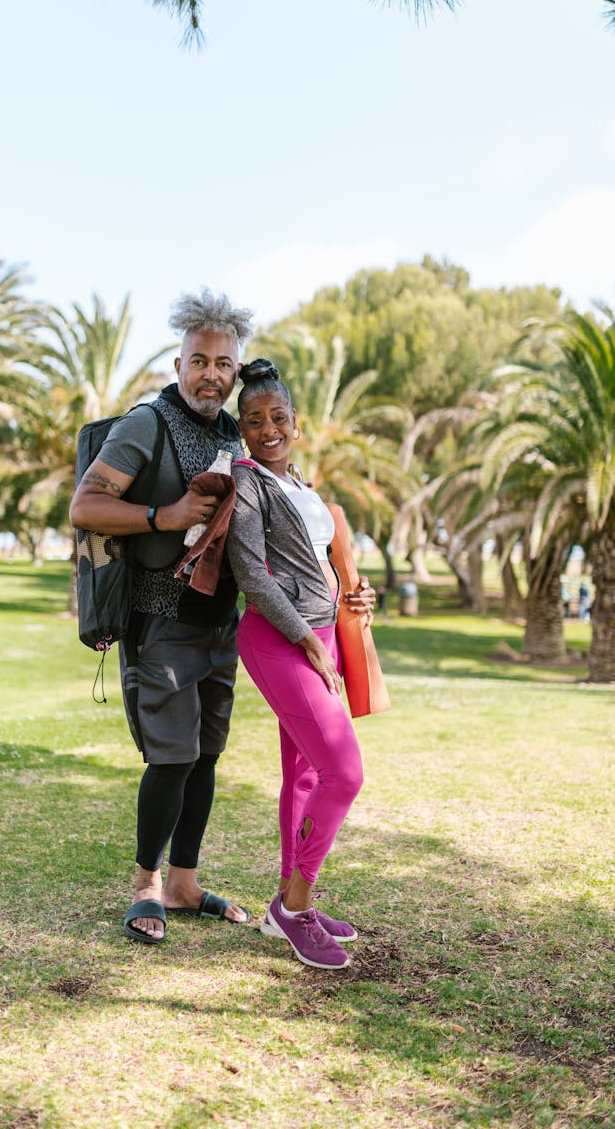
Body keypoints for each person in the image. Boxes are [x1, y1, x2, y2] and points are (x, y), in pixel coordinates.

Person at [69, 288, 254, 945]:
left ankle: (184, 881)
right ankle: (146, 884)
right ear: (179, 363)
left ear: (237, 372)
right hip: (160, 621)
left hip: (219, 624)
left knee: (205, 757)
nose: (211, 373)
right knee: (171, 759)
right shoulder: (146, 424)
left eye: (223, 363)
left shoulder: (235, 434)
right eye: (199, 360)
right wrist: (162, 516)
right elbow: (87, 506)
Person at [225, 358, 376, 970]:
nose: (268, 429)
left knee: (307, 777)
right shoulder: (248, 481)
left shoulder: (302, 486)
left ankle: (285, 905)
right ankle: (295, 907)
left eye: (278, 417)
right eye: (255, 420)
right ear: (242, 429)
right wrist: (307, 639)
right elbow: (252, 574)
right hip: (275, 638)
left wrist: (353, 598)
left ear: (296, 421)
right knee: (343, 771)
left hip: (322, 633)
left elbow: (325, 566)